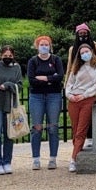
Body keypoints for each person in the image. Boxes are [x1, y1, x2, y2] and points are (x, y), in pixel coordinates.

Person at [64, 42, 96, 172]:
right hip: (73, 100)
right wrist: (70, 95)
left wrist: (85, 95)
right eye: (82, 53)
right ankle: (77, 152)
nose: (84, 54)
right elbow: (69, 83)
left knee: (81, 130)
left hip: (87, 99)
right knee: (75, 129)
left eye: (86, 52)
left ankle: (73, 159)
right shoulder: (76, 67)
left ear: (92, 52)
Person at [27, 34, 65, 170]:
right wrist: (50, 78)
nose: (44, 47)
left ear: (50, 46)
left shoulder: (56, 60)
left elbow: (60, 76)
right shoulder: (33, 61)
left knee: (53, 127)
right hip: (36, 96)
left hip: (53, 95)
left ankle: (53, 158)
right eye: (41, 45)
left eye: (46, 44)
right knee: (37, 128)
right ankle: (36, 159)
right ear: (37, 47)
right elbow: (31, 79)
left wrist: (43, 78)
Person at [0, 44, 23, 175]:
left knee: (10, 135)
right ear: (1, 56)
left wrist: (9, 85)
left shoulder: (17, 68)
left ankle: (7, 161)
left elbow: (19, 85)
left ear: (13, 56)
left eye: (10, 56)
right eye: (5, 56)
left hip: (10, 105)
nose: (8, 57)